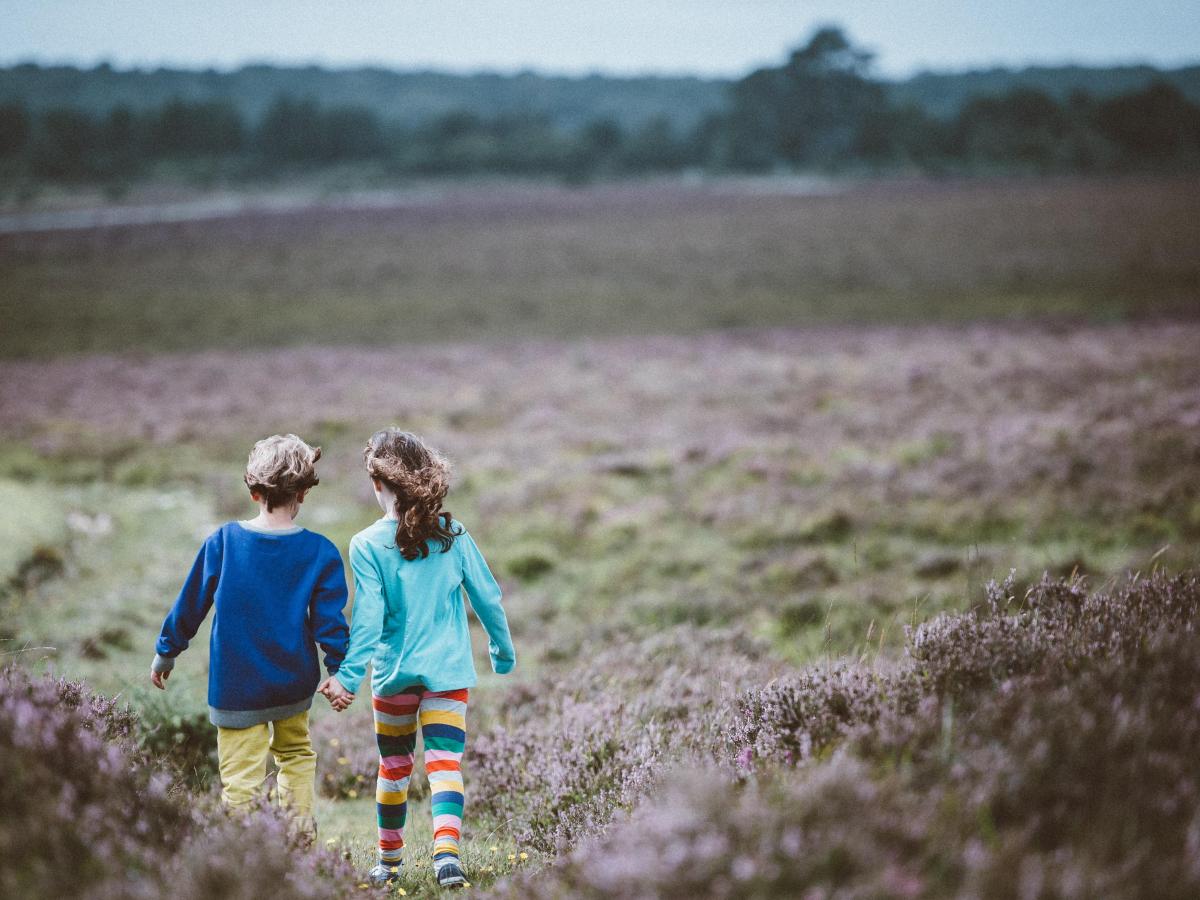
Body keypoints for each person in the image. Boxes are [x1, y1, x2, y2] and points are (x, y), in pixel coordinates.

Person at [322, 428, 515, 889]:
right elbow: (487, 596)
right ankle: (447, 857)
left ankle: (388, 864)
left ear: (377, 484)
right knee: (445, 764)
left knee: (394, 768)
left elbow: (367, 620)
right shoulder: (453, 533)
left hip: (393, 677)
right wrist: (501, 650)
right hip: (448, 675)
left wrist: (348, 677)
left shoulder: (366, 544)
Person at [150, 434, 349, 840]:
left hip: (235, 686)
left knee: (240, 778)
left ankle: (245, 852)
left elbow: (191, 604)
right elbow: (331, 623)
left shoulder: (223, 543)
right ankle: (298, 841)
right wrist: (339, 668)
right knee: (295, 755)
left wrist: (166, 651)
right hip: (294, 684)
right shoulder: (320, 551)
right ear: (303, 494)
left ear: (254, 491)